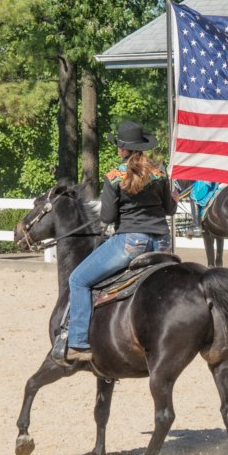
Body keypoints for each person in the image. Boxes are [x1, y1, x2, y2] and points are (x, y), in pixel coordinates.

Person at [66, 121, 177, 362]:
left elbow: (106, 217)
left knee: (78, 279)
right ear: (142, 147)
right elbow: (170, 209)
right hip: (163, 243)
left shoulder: (114, 177)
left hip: (131, 242)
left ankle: (77, 343)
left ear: (122, 149)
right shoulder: (159, 173)